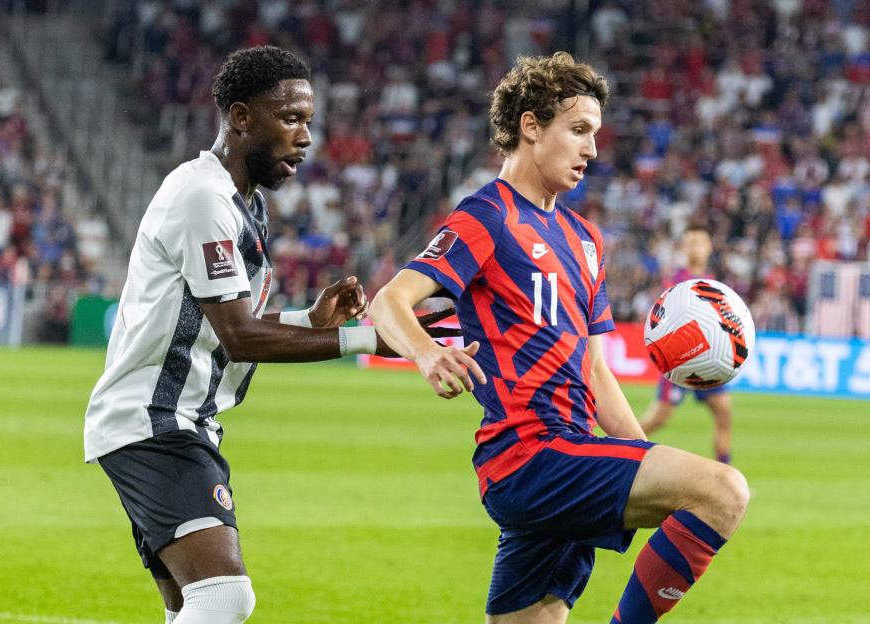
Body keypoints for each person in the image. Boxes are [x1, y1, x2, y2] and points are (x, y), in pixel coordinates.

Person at [369, 52, 749, 624]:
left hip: (567, 455)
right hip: (530, 456)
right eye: (578, 131)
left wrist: (641, 455)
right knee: (723, 490)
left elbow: (596, 372)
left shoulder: (585, 239)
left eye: (594, 134)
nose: (592, 150)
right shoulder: (486, 217)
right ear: (530, 125)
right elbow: (389, 301)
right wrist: (426, 352)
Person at [84, 46, 452, 624]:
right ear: (240, 117)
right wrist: (369, 341)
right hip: (153, 423)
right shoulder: (204, 197)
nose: (305, 137)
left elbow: (228, 321)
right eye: (290, 119)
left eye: (309, 121)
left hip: (178, 422)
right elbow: (239, 338)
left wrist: (313, 321)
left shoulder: (240, 200)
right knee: (226, 596)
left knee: (188, 604)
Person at [639, 226, 735, 464]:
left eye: (700, 242)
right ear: (683, 248)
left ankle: (725, 470)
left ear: (709, 248)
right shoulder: (674, 282)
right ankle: (618, 449)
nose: (695, 247)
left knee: (724, 413)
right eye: (690, 242)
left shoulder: (712, 284)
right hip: (680, 359)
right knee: (659, 418)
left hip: (710, 360)